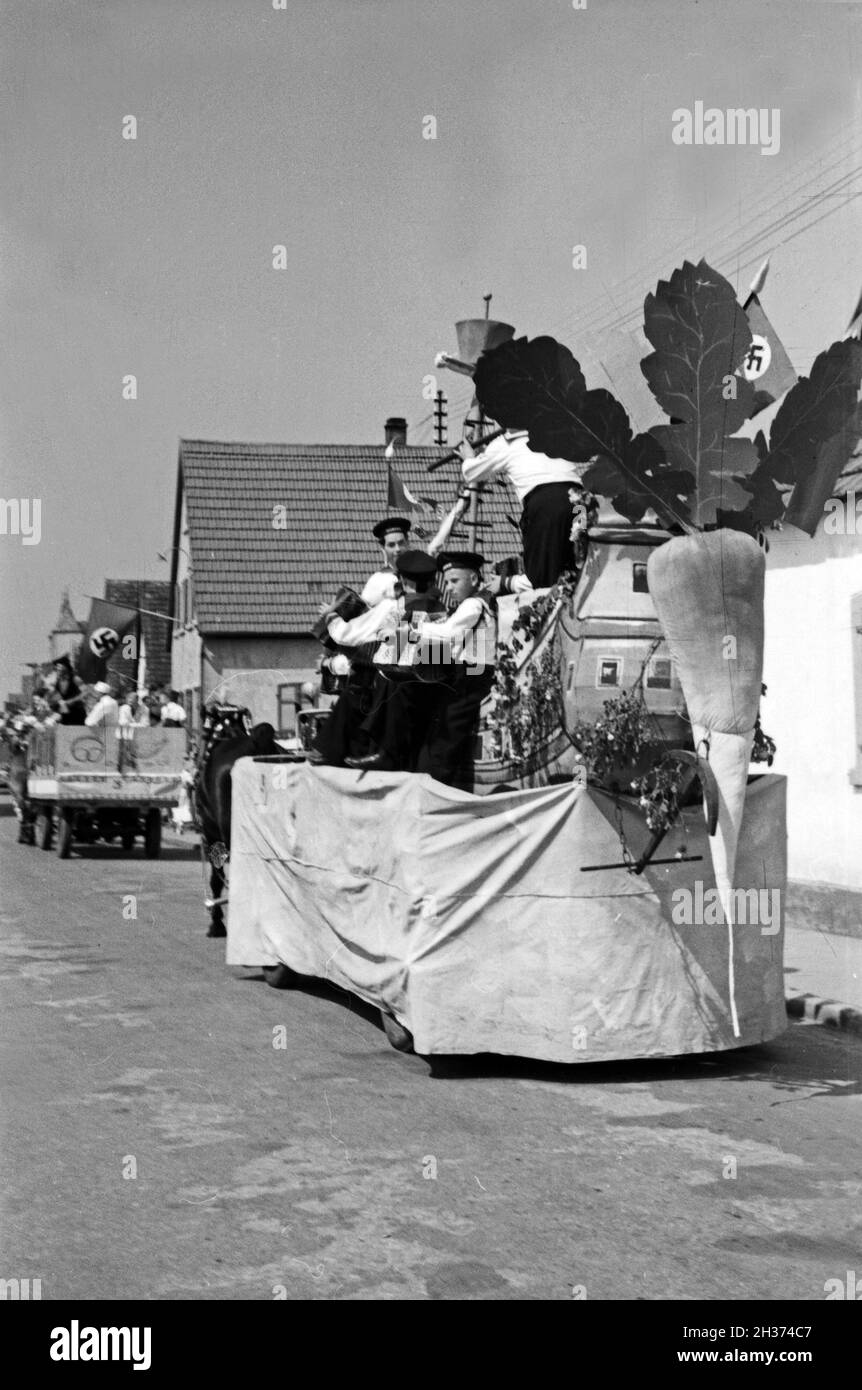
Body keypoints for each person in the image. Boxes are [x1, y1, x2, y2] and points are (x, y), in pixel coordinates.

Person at [314, 550, 442, 767]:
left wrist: (331, 615)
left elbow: (347, 635)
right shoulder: (440, 609)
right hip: (432, 689)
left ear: (402, 580)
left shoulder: (395, 607)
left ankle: (334, 751)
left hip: (400, 688)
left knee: (361, 687)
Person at [460, 426, 588, 588]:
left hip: (548, 505)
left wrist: (468, 457)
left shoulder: (505, 443)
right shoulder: (552, 435)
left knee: (542, 577)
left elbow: (471, 472)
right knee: (580, 565)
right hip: (581, 504)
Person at [360, 516, 412, 607]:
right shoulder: (376, 581)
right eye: (391, 545)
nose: (398, 549)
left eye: (401, 543)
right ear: (383, 549)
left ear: (408, 542)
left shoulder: (422, 575)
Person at [47, 656, 87, 725]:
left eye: (59, 666)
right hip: (65, 716)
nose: (57, 668)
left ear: (66, 667)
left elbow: (85, 692)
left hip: (78, 715)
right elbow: (57, 698)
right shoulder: (57, 682)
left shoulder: (75, 679)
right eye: (56, 667)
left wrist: (71, 701)